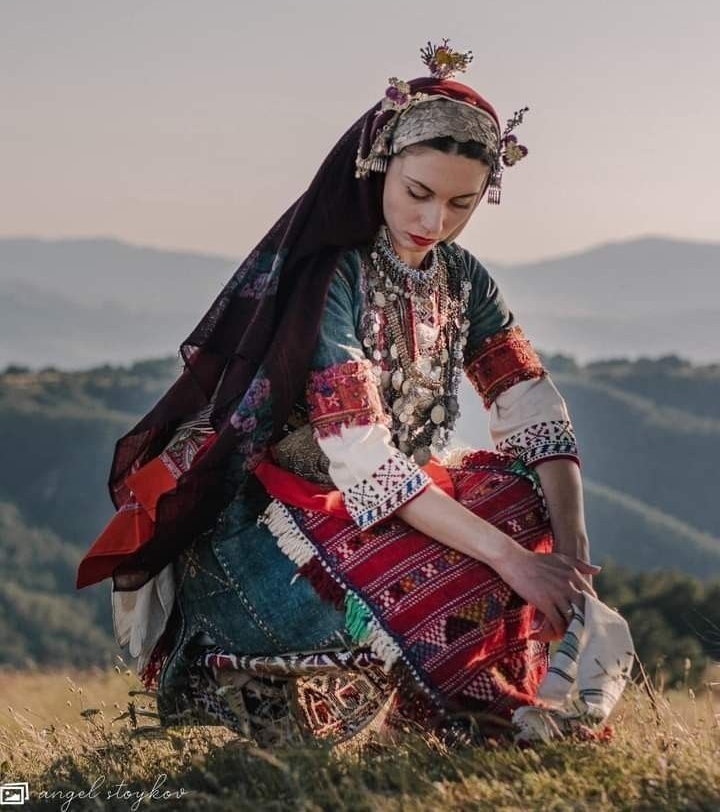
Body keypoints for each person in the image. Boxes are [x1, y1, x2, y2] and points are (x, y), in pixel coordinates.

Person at [77, 40, 624, 746]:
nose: (435, 222)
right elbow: (359, 456)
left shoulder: (464, 278)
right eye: (419, 194)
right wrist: (513, 560)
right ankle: (471, 717)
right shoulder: (332, 278)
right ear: (378, 166)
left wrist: (571, 556)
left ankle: (498, 710)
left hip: (390, 508)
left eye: (461, 203)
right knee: (481, 559)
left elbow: (532, 402)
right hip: (285, 523)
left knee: (527, 500)